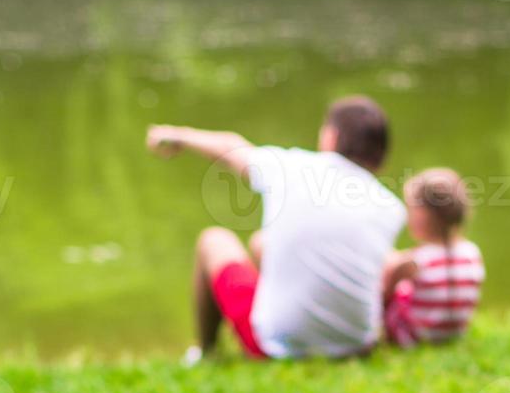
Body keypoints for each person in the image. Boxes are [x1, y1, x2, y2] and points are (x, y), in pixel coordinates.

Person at [146, 96, 406, 363]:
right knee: (262, 242)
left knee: (214, 240)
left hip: (276, 346)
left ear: (331, 137)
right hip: (355, 345)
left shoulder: (291, 167)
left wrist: (178, 135)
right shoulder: (391, 208)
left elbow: (230, 147)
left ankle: (206, 352)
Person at [380, 168, 485, 347]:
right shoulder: (472, 252)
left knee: (393, 278)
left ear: (424, 216)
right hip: (456, 332)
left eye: (411, 209)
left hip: (416, 337)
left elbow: (385, 294)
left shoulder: (417, 261)